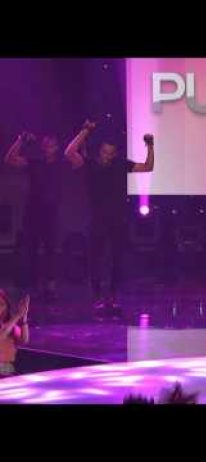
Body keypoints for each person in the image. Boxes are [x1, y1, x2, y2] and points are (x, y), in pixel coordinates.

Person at [65, 120, 154, 318]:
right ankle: (97, 297)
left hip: (118, 219)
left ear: (115, 154)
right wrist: (85, 130)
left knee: (117, 260)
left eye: (110, 153)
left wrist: (150, 146)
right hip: (97, 220)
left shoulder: (121, 164)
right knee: (95, 260)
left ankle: (113, 296)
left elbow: (148, 167)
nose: (107, 156)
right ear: (100, 151)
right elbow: (69, 152)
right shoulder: (89, 165)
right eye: (104, 152)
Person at [4, 132, 63, 301]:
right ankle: (34, 287)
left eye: (52, 144)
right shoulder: (35, 163)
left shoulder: (61, 164)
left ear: (57, 147)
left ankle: (51, 287)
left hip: (51, 213)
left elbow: (76, 157)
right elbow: (9, 159)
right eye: (46, 144)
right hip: (33, 212)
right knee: (32, 251)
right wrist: (20, 140)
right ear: (42, 147)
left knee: (51, 250)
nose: (48, 147)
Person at [0, 290, 30, 377]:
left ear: (6, 306)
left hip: (6, 368)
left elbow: (24, 340)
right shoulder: (9, 325)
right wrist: (18, 315)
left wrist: (24, 317)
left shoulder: (10, 325)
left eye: (1, 304)